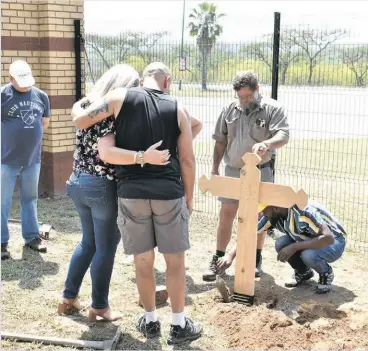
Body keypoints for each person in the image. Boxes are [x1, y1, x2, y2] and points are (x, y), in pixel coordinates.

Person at [72, 62, 202, 345]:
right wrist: (189, 197)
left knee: (143, 261)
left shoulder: (119, 98)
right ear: (167, 81)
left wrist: (77, 106)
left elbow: (82, 119)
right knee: (175, 262)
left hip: (130, 193)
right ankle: (179, 325)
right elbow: (189, 159)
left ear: (142, 80)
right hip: (169, 193)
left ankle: (151, 321)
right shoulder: (178, 108)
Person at [59, 64, 172, 322]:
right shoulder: (111, 116)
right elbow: (107, 153)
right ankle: (99, 306)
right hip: (101, 186)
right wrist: (143, 156)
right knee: (106, 246)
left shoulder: (88, 107)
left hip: (78, 182)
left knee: (88, 243)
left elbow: (77, 112)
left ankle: (68, 297)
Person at [203, 70, 290, 281]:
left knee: (259, 217)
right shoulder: (229, 110)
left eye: (248, 96)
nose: (243, 100)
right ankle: (218, 258)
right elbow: (220, 141)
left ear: (257, 89)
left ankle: (255, 259)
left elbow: (283, 134)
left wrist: (267, 143)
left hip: (261, 171)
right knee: (226, 214)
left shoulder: (273, 108)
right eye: (240, 97)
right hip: (233, 171)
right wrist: (214, 168)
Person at [217, 201, 347, 294]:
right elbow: (250, 233)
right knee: (281, 244)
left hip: (335, 241)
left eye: (263, 210)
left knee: (308, 255)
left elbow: (328, 238)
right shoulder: (273, 216)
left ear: (275, 207)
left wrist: (294, 247)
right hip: (309, 237)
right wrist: (231, 255)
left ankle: (326, 273)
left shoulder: (303, 213)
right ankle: (304, 272)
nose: (261, 214)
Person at [1, 60, 51, 260]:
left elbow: (44, 122)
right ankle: (2, 242)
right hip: (5, 159)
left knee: (30, 199)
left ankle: (31, 238)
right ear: (11, 78)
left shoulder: (41, 96)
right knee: (2, 202)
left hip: (32, 159)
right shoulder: (2, 95)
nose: (25, 85)